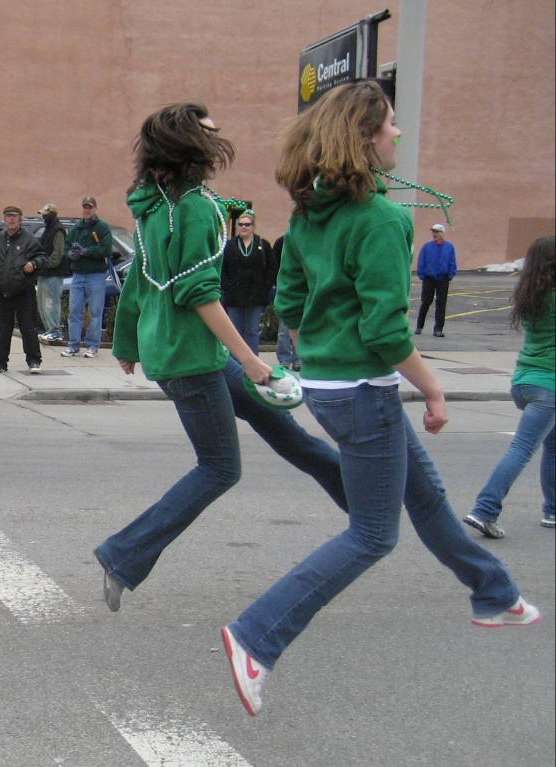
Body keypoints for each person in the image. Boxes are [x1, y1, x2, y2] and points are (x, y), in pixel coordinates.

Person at [222, 81, 538, 718]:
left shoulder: (311, 215)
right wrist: (434, 387)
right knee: (372, 536)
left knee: (425, 495)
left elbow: (287, 303)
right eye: (390, 126)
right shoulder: (386, 220)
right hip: (363, 391)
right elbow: (388, 332)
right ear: (363, 138)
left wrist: (319, 349)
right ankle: (256, 635)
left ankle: (493, 590)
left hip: (331, 387)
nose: (398, 135)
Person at [96, 100, 352, 615]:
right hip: (193, 359)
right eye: (209, 130)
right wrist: (254, 360)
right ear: (191, 144)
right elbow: (198, 294)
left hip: (188, 353)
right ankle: (122, 554)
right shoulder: (196, 208)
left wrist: (127, 343)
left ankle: (369, 504)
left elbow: (138, 282)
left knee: (289, 435)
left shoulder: (153, 205)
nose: (219, 136)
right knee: (219, 468)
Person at [464, 235, 555, 537]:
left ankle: (552, 510)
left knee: (552, 445)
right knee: (522, 448)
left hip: (525, 382)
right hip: (549, 386)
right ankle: (485, 509)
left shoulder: (531, 294)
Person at [0, 205, 45, 374]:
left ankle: (34, 361)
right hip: (3, 292)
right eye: (8, 216)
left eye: (14, 216)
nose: (11, 219)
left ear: (20, 219)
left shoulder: (29, 239)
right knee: (2, 328)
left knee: (28, 327)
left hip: (24, 292)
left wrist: (34, 264)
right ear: (4, 219)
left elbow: (42, 257)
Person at [62, 196, 114, 358]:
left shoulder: (102, 228)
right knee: (74, 311)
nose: (87, 210)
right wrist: (70, 254)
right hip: (78, 275)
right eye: (85, 207)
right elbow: (67, 246)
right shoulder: (77, 228)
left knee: (95, 312)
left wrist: (87, 252)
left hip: (96, 275)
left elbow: (106, 249)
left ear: (95, 209)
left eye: (89, 207)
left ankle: (92, 346)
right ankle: (73, 345)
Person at [220, 210, 276, 355]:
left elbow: (271, 268)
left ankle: (253, 363)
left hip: (255, 296)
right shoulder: (230, 246)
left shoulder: (263, 245)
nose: (244, 227)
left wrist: (265, 286)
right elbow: (222, 268)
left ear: (253, 226)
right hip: (234, 296)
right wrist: (227, 286)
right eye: (241, 224)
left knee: (251, 331)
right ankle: (236, 364)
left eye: (247, 224)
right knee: (235, 332)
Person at [35, 203, 70, 344]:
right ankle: (49, 329)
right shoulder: (48, 228)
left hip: (53, 274)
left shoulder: (58, 230)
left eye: (45, 214)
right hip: (44, 273)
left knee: (51, 303)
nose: (43, 216)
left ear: (52, 215)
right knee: (42, 303)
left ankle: (55, 331)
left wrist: (44, 264)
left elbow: (57, 255)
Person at [415, 223, 456, 336]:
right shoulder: (427, 246)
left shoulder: (449, 247)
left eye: (436, 232)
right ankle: (419, 326)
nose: (434, 234)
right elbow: (421, 261)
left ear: (442, 233)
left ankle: (438, 329)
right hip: (429, 278)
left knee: (441, 304)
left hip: (443, 279)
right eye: (433, 231)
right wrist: (422, 275)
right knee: (426, 303)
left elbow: (452, 262)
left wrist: (450, 275)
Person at [270, 235, 300, 370]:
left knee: (301, 328)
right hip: (285, 289)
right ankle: (284, 359)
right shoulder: (281, 242)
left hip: (302, 290)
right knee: (284, 330)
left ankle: (299, 359)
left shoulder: (303, 240)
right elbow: (273, 265)